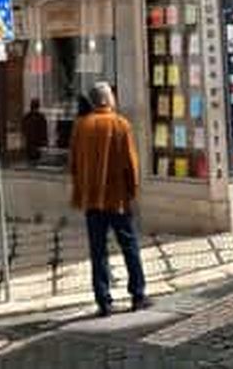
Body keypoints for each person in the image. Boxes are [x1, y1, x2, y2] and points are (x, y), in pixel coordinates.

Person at [69, 82, 151, 317]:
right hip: (117, 199)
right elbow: (131, 164)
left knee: (98, 251)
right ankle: (138, 294)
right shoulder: (120, 124)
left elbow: (73, 164)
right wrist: (132, 192)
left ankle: (103, 301)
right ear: (106, 100)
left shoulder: (81, 126)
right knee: (129, 246)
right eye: (112, 95)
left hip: (92, 199)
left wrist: (81, 189)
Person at [20, 98, 48, 164]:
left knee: (35, 157)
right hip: (32, 141)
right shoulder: (29, 117)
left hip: (34, 141)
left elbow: (43, 130)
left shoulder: (30, 117)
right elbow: (24, 128)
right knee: (32, 157)